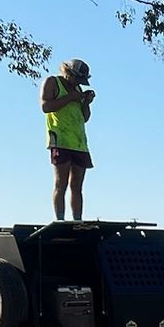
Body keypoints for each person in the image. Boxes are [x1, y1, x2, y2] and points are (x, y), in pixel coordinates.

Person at [41, 58, 95, 221]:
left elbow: (84, 117)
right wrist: (71, 97)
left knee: (77, 186)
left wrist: (86, 102)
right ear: (68, 72)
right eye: (76, 78)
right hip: (60, 141)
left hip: (79, 143)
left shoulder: (77, 89)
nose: (78, 82)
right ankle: (60, 220)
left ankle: (77, 220)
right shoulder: (53, 82)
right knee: (61, 183)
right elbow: (45, 106)